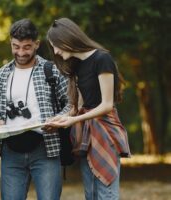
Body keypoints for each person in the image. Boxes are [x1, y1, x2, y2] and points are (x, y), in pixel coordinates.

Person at [45, 18, 131, 200]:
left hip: (105, 132)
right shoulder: (76, 66)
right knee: (90, 193)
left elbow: (106, 105)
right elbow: (79, 107)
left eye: (57, 46)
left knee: (105, 193)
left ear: (67, 38)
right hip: (85, 135)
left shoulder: (102, 59)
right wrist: (60, 120)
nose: (56, 51)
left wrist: (73, 120)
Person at [0, 18, 69, 200]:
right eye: (16, 46)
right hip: (10, 151)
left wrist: (57, 120)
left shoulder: (52, 71)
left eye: (26, 47)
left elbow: (71, 104)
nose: (21, 52)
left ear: (37, 44)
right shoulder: (0, 76)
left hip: (45, 148)